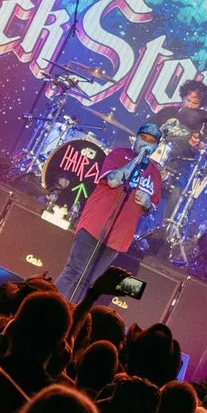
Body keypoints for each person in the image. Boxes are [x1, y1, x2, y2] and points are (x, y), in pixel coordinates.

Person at [57, 123, 164, 302]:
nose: (146, 144)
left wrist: (146, 203)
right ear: (136, 138)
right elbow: (113, 181)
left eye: (152, 142)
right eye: (143, 138)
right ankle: (50, 309)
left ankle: (69, 319)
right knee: (73, 272)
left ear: (156, 147)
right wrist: (136, 160)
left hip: (118, 237)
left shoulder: (155, 175)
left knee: (87, 281)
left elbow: (150, 208)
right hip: (94, 225)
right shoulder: (118, 155)